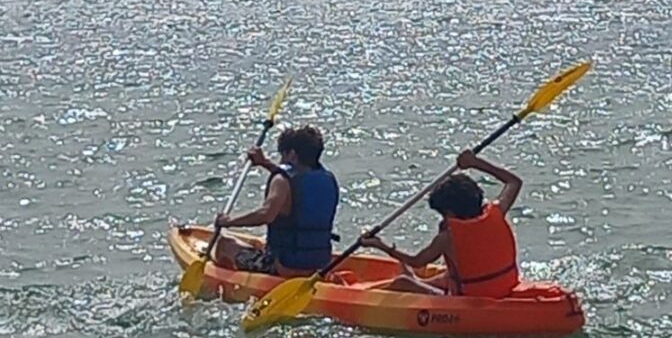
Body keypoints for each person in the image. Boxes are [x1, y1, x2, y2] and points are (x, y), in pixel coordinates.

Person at [360, 150, 523, 298]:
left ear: (450, 213)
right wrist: (476, 163)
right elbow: (514, 182)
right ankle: (418, 281)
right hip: (504, 288)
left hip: (468, 301)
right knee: (447, 276)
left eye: (443, 214)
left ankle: (410, 282)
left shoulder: (447, 238)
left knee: (402, 283)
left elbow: (418, 261)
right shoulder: (498, 210)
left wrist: (382, 246)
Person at [213, 125, 340, 277]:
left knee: (224, 244)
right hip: (320, 265)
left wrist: (228, 222)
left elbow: (266, 215)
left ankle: (223, 280)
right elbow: (295, 181)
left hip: (285, 267)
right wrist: (264, 162)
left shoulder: (281, 181)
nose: (281, 160)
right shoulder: (327, 179)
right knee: (258, 244)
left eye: (283, 154)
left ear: (292, 154)